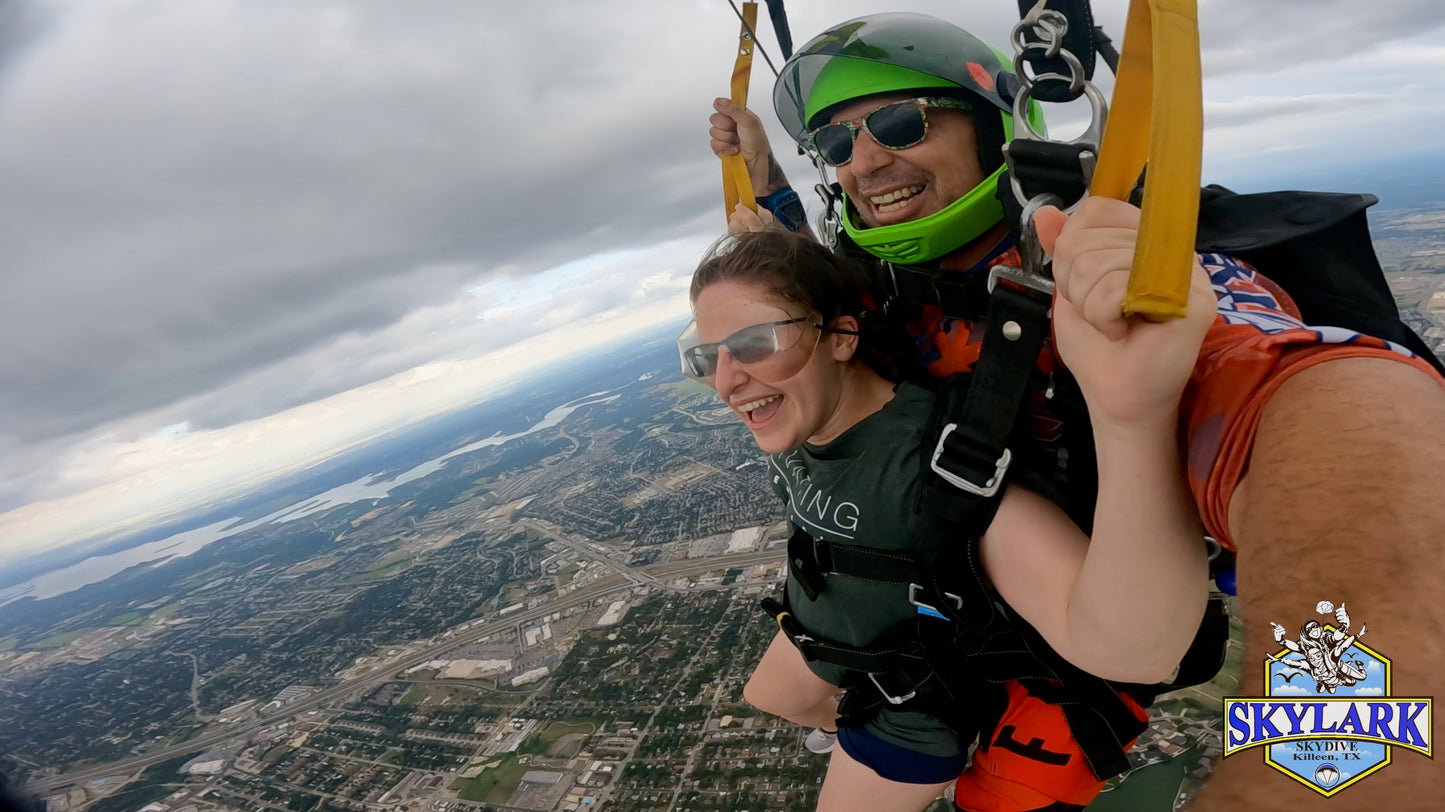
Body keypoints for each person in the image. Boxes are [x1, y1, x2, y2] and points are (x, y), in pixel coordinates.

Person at [708, 13, 1445, 808]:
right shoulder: (883, 284)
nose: (866, 160)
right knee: (797, 693)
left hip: (1079, 625)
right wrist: (766, 172)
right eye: (836, 145)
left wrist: (1347, 753)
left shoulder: (1103, 262)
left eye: (898, 122)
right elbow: (825, 283)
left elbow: (1324, 409)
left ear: (991, 126)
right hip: (950, 593)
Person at [681, 227, 1215, 811]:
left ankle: (870, 746)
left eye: (756, 342)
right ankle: (836, 724)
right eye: (706, 359)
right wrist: (760, 172)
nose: (727, 383)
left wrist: (1136, 417)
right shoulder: (798, 415)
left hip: (907, 699)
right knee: (769, 696)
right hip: (833, 633)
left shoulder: (936, 468)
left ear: (839, 338)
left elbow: (1133, 650)